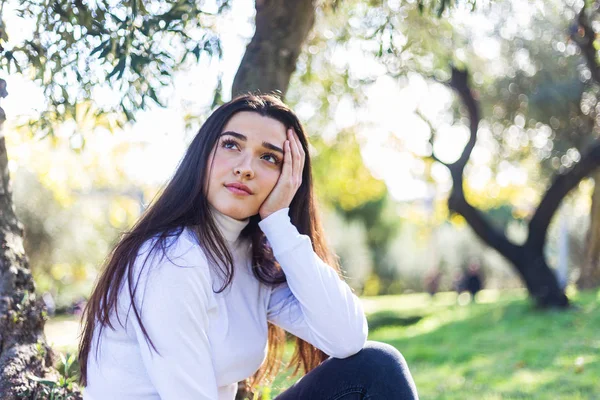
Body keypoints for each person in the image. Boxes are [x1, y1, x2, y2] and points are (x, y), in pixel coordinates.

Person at [78, 94, 418, 400]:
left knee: (377, 367)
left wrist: (278, 224)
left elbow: (346, 337)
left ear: (290, 177)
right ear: (203, 156)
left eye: (269, 158)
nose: (245, 168)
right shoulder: (174, 259)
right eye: (231, 145)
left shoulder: (249, 257)